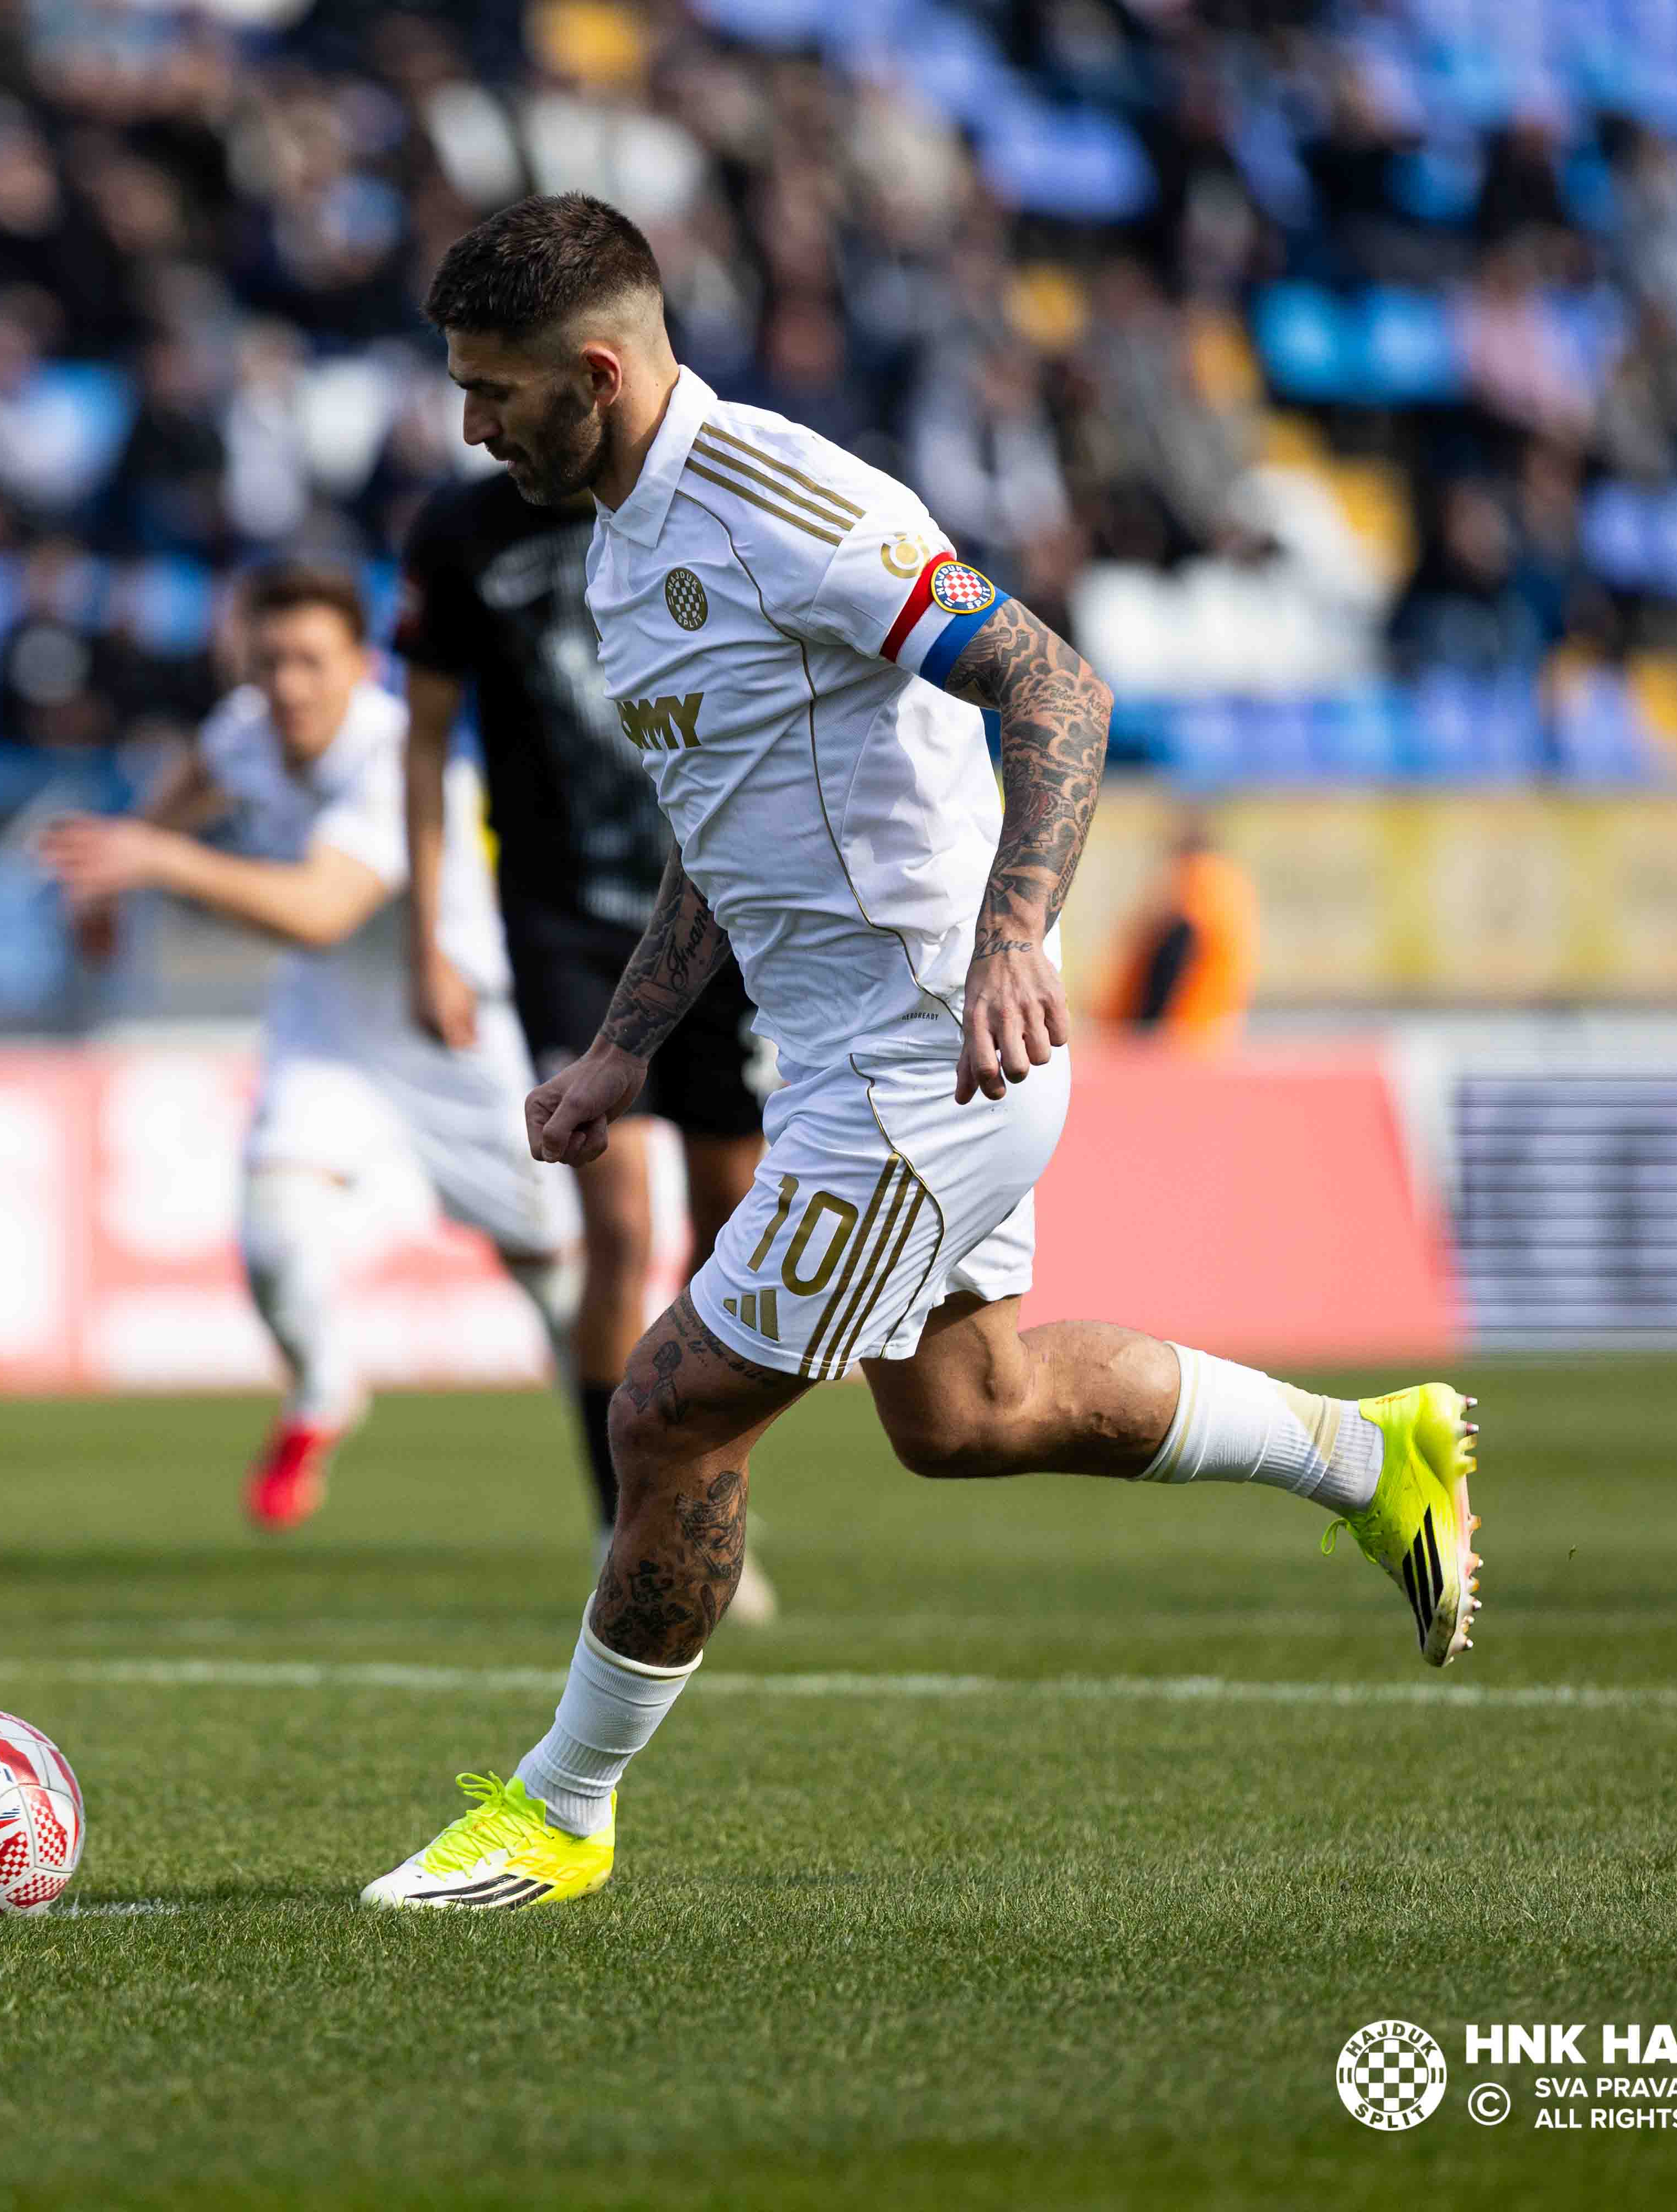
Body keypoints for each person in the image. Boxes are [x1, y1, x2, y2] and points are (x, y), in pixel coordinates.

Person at [360, 196, 1483, 1910]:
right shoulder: (612, 537)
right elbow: (717, 830)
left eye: (493, 389)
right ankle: (1364, 1456)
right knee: (972, 1411)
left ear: (596, 370)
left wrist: (1011, 938)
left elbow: (1052, 688)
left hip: (920, 1060)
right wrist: (621, 1049)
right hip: (838, 1057)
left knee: (668, 1414)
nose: (469, 425)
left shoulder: (784, 505)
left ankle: (557, 1812)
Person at [38, 563, 583, 1530]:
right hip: (329, 1021)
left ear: (363, 666)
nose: (286, 685)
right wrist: (112, 874)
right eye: (268, 661)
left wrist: (158, 859)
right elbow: (203, 775)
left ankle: (636, 1503)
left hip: (449, 1028)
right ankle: (325, 1388)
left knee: (553, 1281)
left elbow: (323, 911)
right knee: (273, 1231)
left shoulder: (391, 756)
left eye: (309, 662)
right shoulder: (245, 729)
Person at [397, 455, 779, 1625]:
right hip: (562, 911)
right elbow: (422, 741)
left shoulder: (702, 496)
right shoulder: (459, 531)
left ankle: (716, 1500)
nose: (484, 419)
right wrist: (430, 934)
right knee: (615, 1222)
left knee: (734, 1223)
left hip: (715, 894)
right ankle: (631, 1521)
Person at [1099, 812, 1257, 1048]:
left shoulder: (1196, 880)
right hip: (1211, 1019)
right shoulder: (1230, 881)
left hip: (1184, 1022)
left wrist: (1151, 1022)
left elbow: (1178, 948)